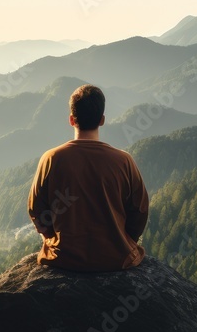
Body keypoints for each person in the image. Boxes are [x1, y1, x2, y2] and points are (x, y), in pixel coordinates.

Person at [28, 84, 150, 272]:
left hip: (63, 258)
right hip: (116, 259)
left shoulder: (51, 159)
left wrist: (51, 237)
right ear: (102, 120)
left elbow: (36, 208)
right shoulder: (123, 161)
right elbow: (140, 209)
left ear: (71, 120)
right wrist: (125, 239)